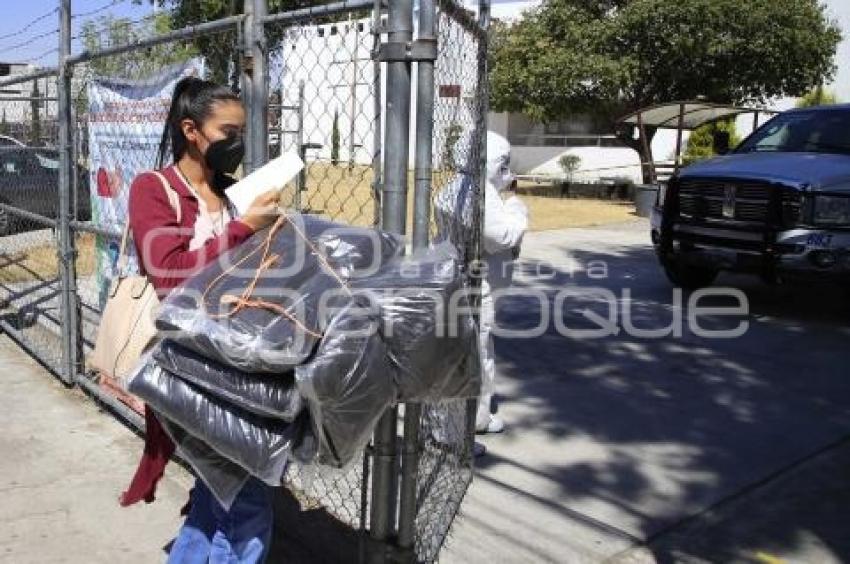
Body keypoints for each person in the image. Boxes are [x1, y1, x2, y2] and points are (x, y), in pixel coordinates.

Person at [120, 76, 282, 563]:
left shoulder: (234, 191)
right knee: (247, 493)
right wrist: (242, 230)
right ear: (191, 130)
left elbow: (248, 268)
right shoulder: (154, 189)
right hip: (183, 366)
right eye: (227, 131)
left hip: (235, 360)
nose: (237, 142)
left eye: (242, 132)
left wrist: (270, 241)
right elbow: (169, 273)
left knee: (221, 492)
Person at [435, 131, 529, 436]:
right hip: (477, 286)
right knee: (476, 353)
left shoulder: (463, 187)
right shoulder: (477, 194)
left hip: (465, 282)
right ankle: (467, 425)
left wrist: (505, 182)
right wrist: (517, 207)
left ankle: (468, 419)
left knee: (473, 350)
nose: (504, 170)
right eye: (501, 164)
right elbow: (501, 236)